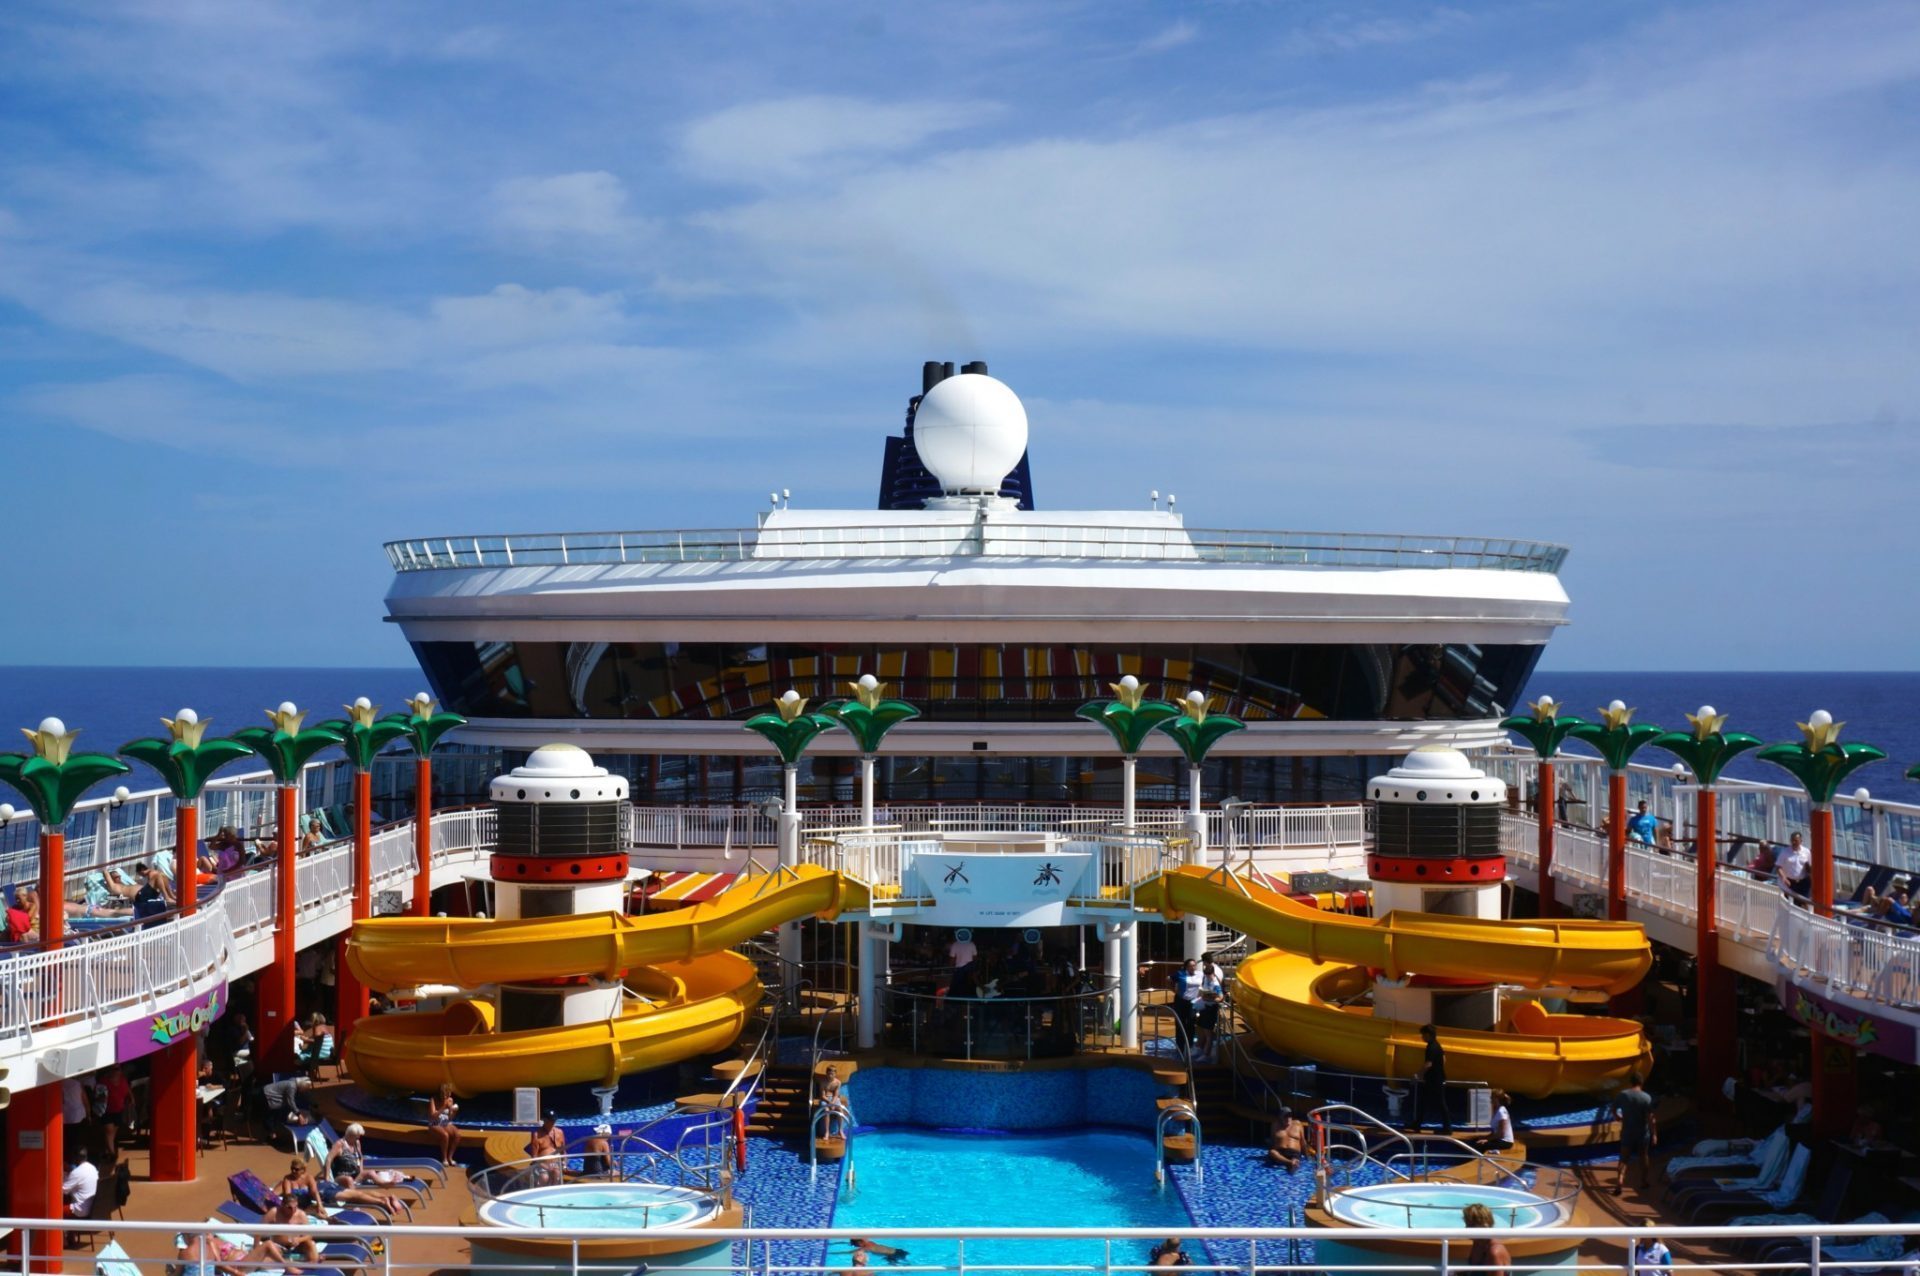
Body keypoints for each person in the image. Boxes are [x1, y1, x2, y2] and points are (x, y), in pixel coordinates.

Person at [1610, 1074, 1657, 1195]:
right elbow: (1651, 1119)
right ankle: (1643, 1181)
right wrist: (1654, 1134)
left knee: (1623, 1158)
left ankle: (1620, 1180)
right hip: (1642, 1133)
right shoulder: (1646, 1097)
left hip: (1627, 1131)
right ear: (1642, 1083)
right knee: (1643, 1156)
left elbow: (1613, 1108)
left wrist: (1618, 1117)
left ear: (1631, 1082)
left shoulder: (1623, 1095)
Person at [263, 1194, 323, 1265]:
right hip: (279, 1246)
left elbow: (309, 1235)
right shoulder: (274, 1213)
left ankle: (313, 1262)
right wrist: (256, 1247)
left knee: (311, 1244)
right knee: (264, 1262)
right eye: (289, 1208)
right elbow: (258, 1229)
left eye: (295, 1207)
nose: (293, 1210)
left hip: (297, 1246)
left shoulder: (301, 1214)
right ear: (282, 1205)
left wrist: (299, 1240)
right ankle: (294, 1262)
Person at [1418, 1024, 1453, 1136]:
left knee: (1440, 1103)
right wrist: (1439, 1068)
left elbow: (1428, 1064)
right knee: (1424, 1101)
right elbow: (1444, 1058)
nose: (1422, 1037)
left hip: (1434, 1080)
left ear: (1428, 1035)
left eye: (1423, 1035)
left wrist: (1419, 1074)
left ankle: (1447, 1128)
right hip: (1438, 1077)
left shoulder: (1431, 1047)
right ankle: (1417, 1123)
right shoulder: (1437, 1045)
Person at [1462, 1203, 1511, 1272]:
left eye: (1470, 1225)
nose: (1466, 1228)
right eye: (1466, 1224)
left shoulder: (1495, 1252)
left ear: (1483, 1226)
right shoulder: (1478, 1243)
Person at [97, 1065, 132, 1158]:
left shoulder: (123, 1079)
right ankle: (112, 1154)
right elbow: (98, 1095)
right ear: (110, 1071)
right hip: (106, 1110)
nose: (118, 1071)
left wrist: (131, 1098)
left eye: (119, 1069)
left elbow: (127, 1089)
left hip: (119, 1109)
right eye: (115, 1069)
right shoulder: (103, 1081)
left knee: (112, 1133)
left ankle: (108, 1151)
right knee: (109, 1131)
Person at [1195, 955, 1224, 1062]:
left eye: (1208, 976)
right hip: (1205, 1007)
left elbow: (1220, 997)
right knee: (1201, 1027)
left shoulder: (1215, 983)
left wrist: (1211, 999)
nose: (1207, 977)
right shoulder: (1207, 979)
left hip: (1211, 1009)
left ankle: (1207, 1054)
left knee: (1208, 1032)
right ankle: (1200, 1049)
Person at [526, 1113, 566, 1184]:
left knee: (556, 1174)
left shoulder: (559, 1132)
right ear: (544, 1120)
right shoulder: (537, 1135)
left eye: (554, 1120)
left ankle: (556, 1193)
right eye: (551, 1120)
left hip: (556, 1164)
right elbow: (534, 1156)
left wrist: (564, 1164)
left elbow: (563, 1151)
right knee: (544, 1178)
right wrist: (545, 1166)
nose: (553, 1122)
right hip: (541, 1164)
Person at [1171, 958, 1202, 1048]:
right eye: (1190, 966)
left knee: (1191, 1023)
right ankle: (1180, 1045)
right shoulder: (1180, 973)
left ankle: (1190, 1045)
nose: (1193, 967)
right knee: (1180, 1023)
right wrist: (1175, 988)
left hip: (1192, 1002)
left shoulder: (1200, 974)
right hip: (1181, 1001)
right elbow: (1169, 978)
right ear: (1186, 967)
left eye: (1194, 965)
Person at [429, 1082, 462, 1163]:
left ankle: (450, 1157)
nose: (445, 1097)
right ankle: (444, 1158)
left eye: (447, 1094)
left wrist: (453, 1111)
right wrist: (444, 1107)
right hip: (434, 1123)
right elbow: (433, 1116)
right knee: (445, 1135)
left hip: (445, 1122)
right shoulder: (433, 1100)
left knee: (457, 1135)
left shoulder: (450, 1100)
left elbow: (450, 1117)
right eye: (443, 1094)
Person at [1776, 832, 1812, 897]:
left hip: (1803, 882)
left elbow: (1810, 866)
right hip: (1790, 883)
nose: (1794, 842)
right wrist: (1784, 878)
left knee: (1805, 902)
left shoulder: (1806, 852)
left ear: (1801, 841)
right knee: (1792, 902)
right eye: (1792, 840)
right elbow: (1778, 866)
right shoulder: (1785, 852)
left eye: (1796, 840)